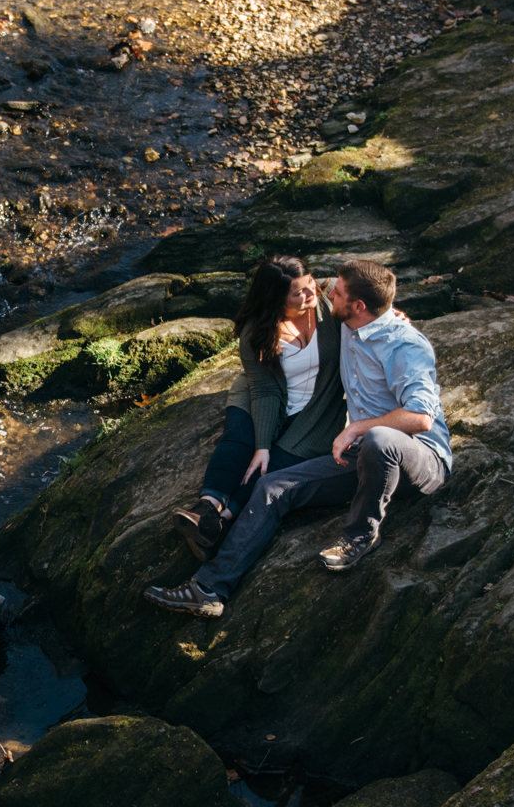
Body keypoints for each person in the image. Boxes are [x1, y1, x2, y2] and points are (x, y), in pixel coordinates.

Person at [144, 259, 450, 618]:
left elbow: (421, 418)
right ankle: (209, 588)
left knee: (380, 438)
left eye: (336, 292)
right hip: (365, 457)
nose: (325, 293)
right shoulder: (348, 325)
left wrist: (355, 428)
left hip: (419, 459)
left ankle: (360, 536)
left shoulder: (405, 345)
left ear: (357, 306)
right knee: (273, 486)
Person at [168, 255, 347, 560]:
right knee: (241, 440)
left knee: (274, 466)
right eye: (298, 293)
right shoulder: (257, 332)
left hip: (313, 410)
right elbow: (263, 390)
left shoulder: (329, 298)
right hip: (261, 392)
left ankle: (219, 524)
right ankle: (206, 508)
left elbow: (369, 302)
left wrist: (392, 316)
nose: (309, 295)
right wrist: (261, 444)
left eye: (310, 285)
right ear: (276, 299)